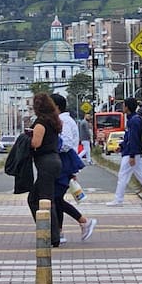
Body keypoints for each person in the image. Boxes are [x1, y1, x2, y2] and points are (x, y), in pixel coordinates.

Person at [52, 94, 97, 242]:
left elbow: (66, 143)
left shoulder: (64, 121)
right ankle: (59, 232)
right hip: (66, 163)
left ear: (57, 106)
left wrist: (53, 145)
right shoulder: (65, 120)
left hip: (64, 163)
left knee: (56, 198)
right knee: (56, 198)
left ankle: (83, 221)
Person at [106, 97, 142, 206]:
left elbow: (133, 139)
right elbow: (128, 137)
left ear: (127, 107)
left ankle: (118, 199)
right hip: (133, 152)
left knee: (123, 176)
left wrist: (131, 155)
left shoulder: (134, 121)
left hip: (131, 153)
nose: (122, 107)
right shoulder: (133, 119)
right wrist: (121, 146)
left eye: (123, 105)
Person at [27, 93, 64, 245]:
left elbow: (36, 143)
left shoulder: (41, 122)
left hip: (46, 163)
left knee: (43, 200)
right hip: (54, 160)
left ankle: (51, 235)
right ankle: (50, 233)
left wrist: (27, 138)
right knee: (41, 199)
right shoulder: (54, 120)